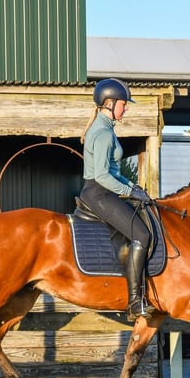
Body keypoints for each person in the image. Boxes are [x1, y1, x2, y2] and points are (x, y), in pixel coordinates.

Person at [79, 78, 154, 321]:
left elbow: (114, 172)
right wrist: (129, 192)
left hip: (104, 189)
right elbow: (101, 176)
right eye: (124, 103)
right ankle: (134, 302)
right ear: (109, 103)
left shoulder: (106, 129)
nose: (127, 108)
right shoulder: (102, 133)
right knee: (142, 235)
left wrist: (134, 187)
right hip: (98, 193)